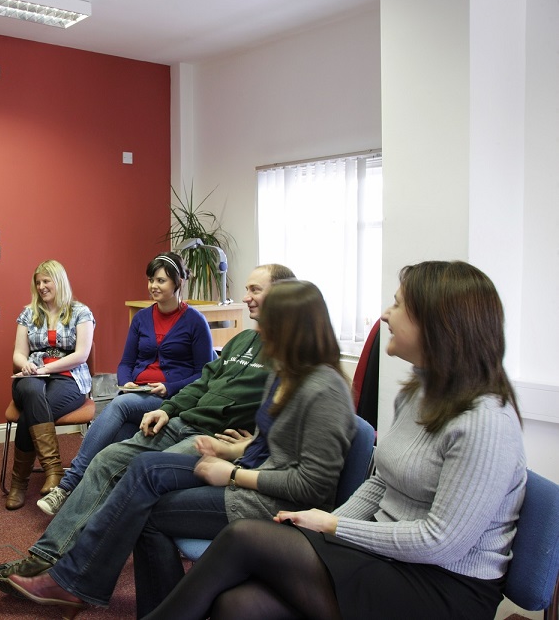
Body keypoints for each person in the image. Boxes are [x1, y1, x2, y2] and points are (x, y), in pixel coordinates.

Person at [141, 260, 527, 620]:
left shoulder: (486, 421)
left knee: (244, 538)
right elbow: (381, 483)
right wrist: (332, 525)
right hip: (385, 552)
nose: (384, 315)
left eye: (397, 306)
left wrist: (332, 527)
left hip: (442, 584)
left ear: (438, 325)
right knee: (236, 605)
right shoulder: (417, 394)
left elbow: (441, 542)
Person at [1, 280, 356, 615]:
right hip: (247, 473)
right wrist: (236, 452)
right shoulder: (286, 373)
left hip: (271, 504)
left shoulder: (324, 389)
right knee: (142, 470)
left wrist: (234, 473)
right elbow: (272, 444)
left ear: (291, 327)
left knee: (145, 506)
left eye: (268, 319)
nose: (258, 327)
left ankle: (74, 582)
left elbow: (313, 487)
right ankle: (76, 581)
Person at [37, 251, 215, 516]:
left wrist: (170, 387)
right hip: (137, 394)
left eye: (161, 280)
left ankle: (67, 485)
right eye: (150, 280)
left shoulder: (195, 321)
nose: (153, 286)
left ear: (178, 283)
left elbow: (205, 373)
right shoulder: (142, 318)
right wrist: (127, 381)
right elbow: (125, 362)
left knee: (119, 406)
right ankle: (92, 507)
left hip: (170, 397)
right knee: (119, 440)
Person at [5, 260, 96, 510]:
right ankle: (53, 471)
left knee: (28, 417)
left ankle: (18, 485)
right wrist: (25, 365)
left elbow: (81, 355)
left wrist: (47, 368)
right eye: (38, 282)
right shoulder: (28, 313)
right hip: (31, 377)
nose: (42, 286)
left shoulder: (81, 312)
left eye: (47, 281)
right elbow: (18, 353)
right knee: (32, 391)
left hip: (69, 378)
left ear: (59, 281)